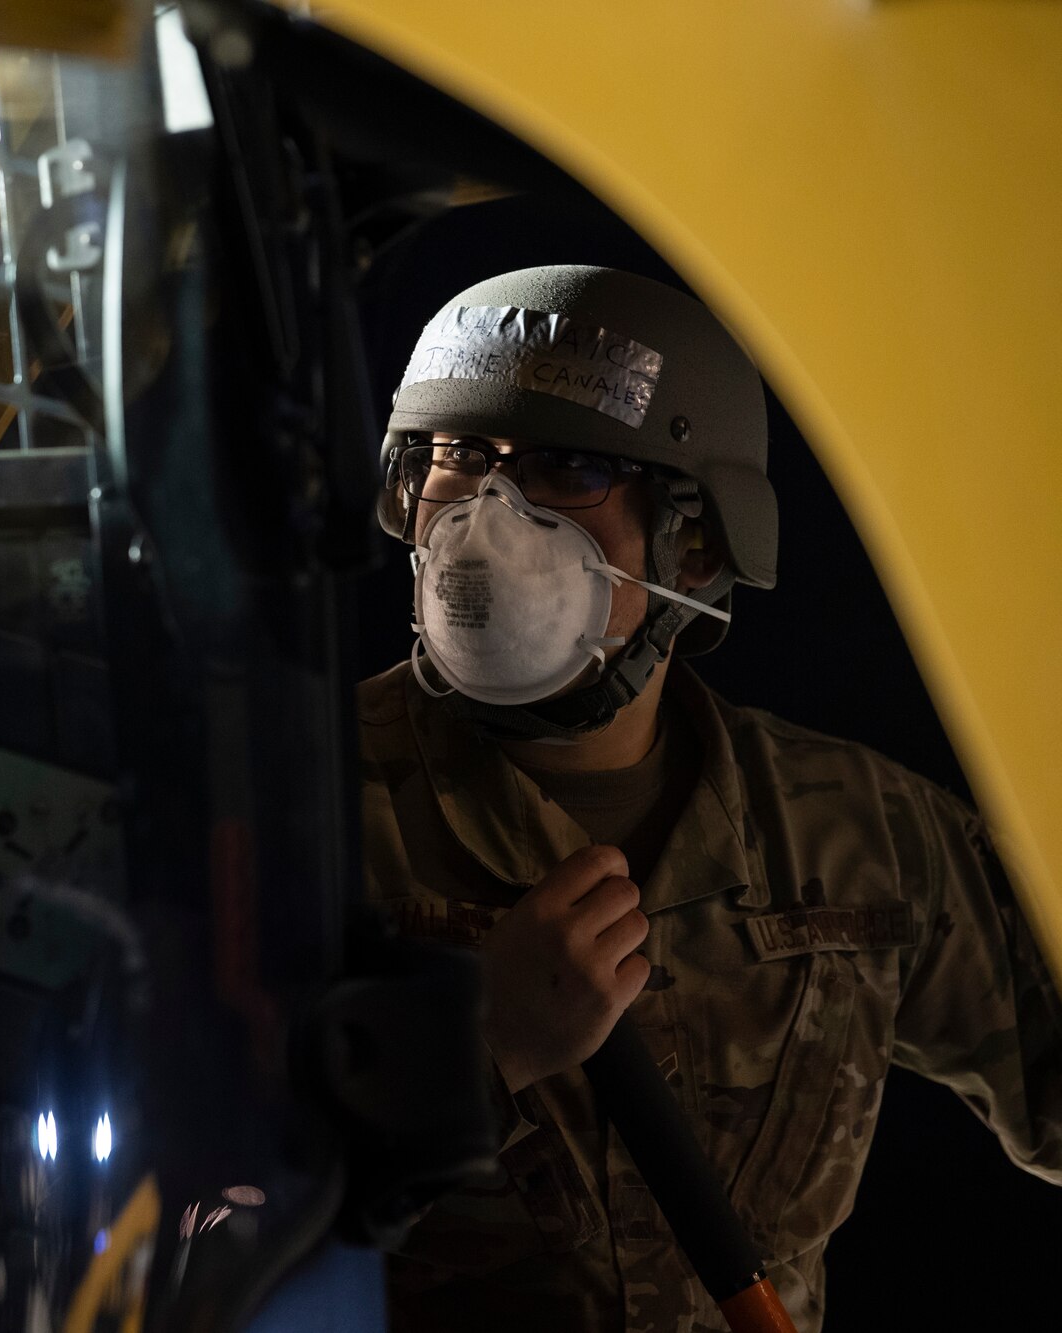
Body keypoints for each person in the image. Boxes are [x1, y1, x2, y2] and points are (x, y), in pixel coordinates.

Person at [359, 265, 1062, 1332]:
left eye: (568, 464)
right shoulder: (296, 811)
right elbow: (160, 1231)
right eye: (458, 455)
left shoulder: (852, 832)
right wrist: (471, 1048)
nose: (491, 513)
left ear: (694, 539)